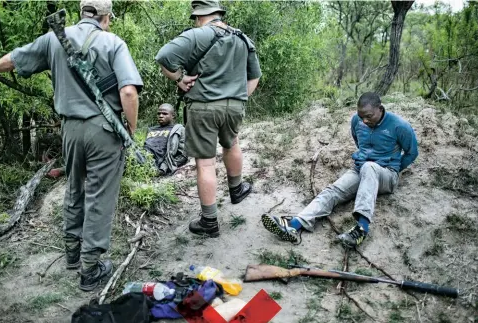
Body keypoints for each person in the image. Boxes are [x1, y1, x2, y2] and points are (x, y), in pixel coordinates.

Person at [0, 0, 144, 291]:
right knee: (99, 194)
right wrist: (130, 129)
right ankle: (91, 267)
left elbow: (15, 59)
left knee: (74, 187)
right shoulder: (113, 42)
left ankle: (71, 252)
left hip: (69, 129)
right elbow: (129, 91)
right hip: (104, 129)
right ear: (106, 17)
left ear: (82, 13)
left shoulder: (55, 39)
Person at [154, 0, 262, 237]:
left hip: (203, 107)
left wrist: (180, 79)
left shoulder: (196, 35)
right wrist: (238, 97)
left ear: (198, 16)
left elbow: (163, 56)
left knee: (205, 162)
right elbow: (254, 76)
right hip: (234, 106)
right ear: (218, 13)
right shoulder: (242, 38)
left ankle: (210, 222)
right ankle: (237, 190)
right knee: (232, 143)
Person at [261, 92, 419, 248]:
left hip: (386, 174)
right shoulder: (356, 121)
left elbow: (412, 153)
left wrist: (394, 167)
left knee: (370, 167)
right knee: (332, 190)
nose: (364, 120)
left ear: (380, 109)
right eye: (361, 116)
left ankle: (362, 228)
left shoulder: (399, 126)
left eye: (369, 116)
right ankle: (294, 225)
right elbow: (359, 141)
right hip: (361, 170)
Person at [144, 103, 188, 175]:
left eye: (164, 114)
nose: (161, 116)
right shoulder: (151, 129)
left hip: (161, 161)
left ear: (173, 115)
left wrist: (164, 167)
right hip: (145, 158)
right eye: (159, 114)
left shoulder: (178, 129)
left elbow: (183, 155)